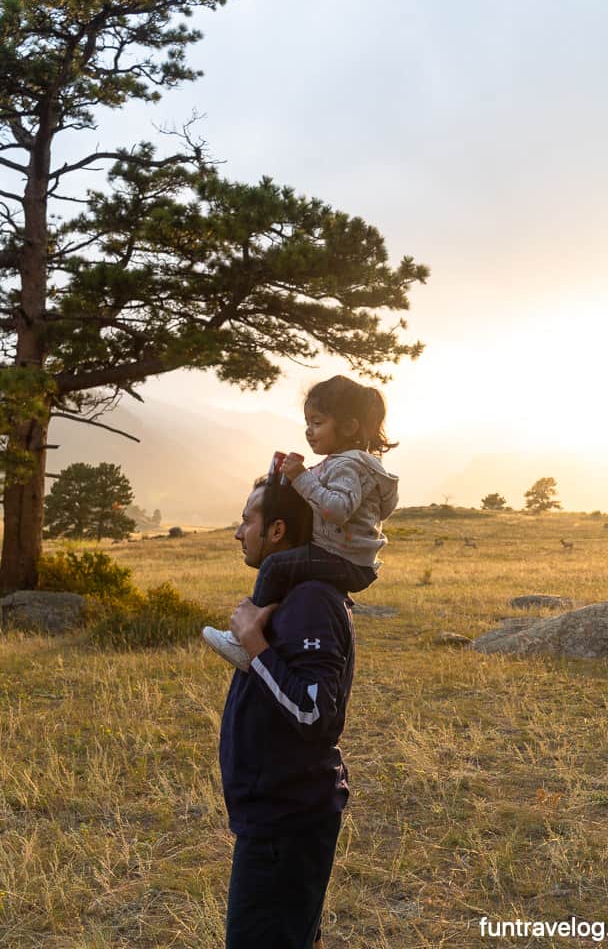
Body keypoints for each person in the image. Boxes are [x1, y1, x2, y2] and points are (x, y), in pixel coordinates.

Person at [218, 474, 355, 948]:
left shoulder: (311, 600)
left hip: (286, 822)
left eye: (246, 520)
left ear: (277, 531)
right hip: (279, 815)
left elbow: (317, 716)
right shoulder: (292, 596)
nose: (239, 533)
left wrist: (254, 644)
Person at [203, 375, 398, 670]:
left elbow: (338, 510)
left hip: (344, 560)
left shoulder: (348, 464)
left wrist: (301, 478)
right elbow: (381, 508)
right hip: (349, 560)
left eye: (318, 423)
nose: (309, 431)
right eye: (307, 423)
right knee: (287, 572)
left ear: (348, 426)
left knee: (274, 566)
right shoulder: (348, 464)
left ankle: (244, 640)